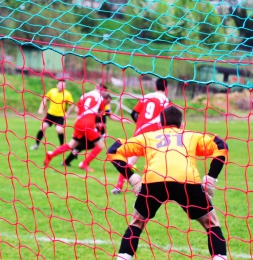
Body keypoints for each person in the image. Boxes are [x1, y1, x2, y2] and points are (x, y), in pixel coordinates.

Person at [109, 106, 228, 260]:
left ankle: (123, 257)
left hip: (154, 181)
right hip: (186, 181)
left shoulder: (148, 137)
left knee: (137, 223)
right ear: (182, 125)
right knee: (211, 224)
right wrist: (211, 177)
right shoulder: (191, 136)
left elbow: (113, 150)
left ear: (159, 125)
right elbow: (221, 145)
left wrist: (132, 177)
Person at [111, 78, 169, 195]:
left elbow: (133, 113)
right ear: (166, 89)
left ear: (155, 87)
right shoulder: (165, 100)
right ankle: (153, 189)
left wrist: (140, 124)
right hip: (154, 137)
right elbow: (166, 119)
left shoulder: (146, 96)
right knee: (157, 163)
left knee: (129, 161)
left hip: (139, 134)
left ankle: (118, 187)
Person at [44, 84, 107, 171]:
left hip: (78, 122)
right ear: (103, 90)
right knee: (100, 145)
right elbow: (100, 113)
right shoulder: (101, 98)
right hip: (88, 124)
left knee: (71, 145)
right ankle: (84, 164)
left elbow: (77, 109)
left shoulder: (84, 95)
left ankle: (51, 154)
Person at [62, 93, 131, 167]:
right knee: (85, 144)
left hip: (98, 128)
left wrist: (121, 120)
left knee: (85, 144)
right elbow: (80, 110)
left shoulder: (104, 107)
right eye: (108, 101)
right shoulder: (95, 104)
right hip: (89, 127)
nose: (108, 103)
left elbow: (110, 115)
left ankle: (72, 159)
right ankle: (79, 162)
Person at [30, 80, 74, 150]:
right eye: (60, 85)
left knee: (59, 131)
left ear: (65, 87)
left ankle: (61, 147)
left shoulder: (67, 94)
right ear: (57, 85)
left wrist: (67, 114)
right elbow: (45, 99)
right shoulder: (52, 91)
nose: (61, 86)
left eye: (63, 85)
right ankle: (36, 145)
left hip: (60, 116)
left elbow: (71, 105)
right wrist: (41, 108)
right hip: (50, 114)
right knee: (42, 128)